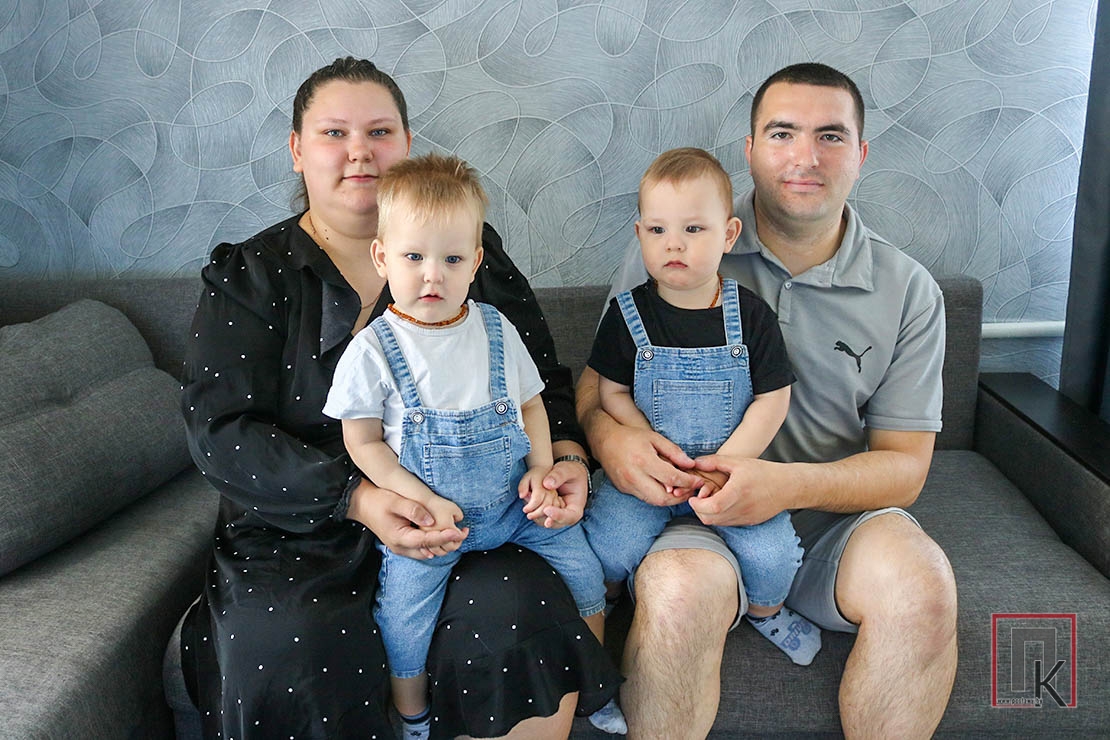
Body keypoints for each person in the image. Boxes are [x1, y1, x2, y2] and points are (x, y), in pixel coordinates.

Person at [179, 57, 619, 740]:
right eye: (334, 133)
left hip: (467, 517)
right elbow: (221, 430)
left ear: (406, 144)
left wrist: (563, 461)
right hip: (302, 527)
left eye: (379, 131)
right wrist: (358, 498)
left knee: (517, 612)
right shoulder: (253, 275)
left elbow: (540, 381)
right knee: (283, 646)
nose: (359, 151)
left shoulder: (466, 253)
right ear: (297, 150)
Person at [577, 63, 958, 739]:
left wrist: (784, 485)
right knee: (679, 593)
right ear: (750, 149)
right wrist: (616, 442)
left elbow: (906, 467)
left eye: (831, 136)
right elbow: (597, 387)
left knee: (923, 585)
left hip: (833, 520)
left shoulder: (908, 290)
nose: (805, 157)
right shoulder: (678, 242)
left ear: (861, 154)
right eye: (783, 133)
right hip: (691, 507)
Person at [322, 153, 607, 739]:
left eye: (452, 259)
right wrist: (415, 498)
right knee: (403, 618)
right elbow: (362, 441)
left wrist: (542, 468)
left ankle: (594, 683)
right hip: (431, 522)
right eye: (414, 258)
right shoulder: (373, 350)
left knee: (586, 570)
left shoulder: (496, 328)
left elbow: (531, 404)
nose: (433, 275)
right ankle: (413, 715)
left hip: (515, 507)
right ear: (382, 257)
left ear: (476, 262)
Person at [582, 148, 820, 677]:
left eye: (693, 229)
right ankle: (611, 596)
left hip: (728, 476)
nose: (674, 243)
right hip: (650, 476)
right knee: (607, 544)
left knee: (775, 557)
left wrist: (728, 464)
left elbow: (773, 398)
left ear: (728, 235)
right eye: (658, 230)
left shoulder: (751, 315)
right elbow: (610, 392)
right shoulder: (627, 314)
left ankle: (767, 614)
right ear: (640, 234)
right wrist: (647, 444)